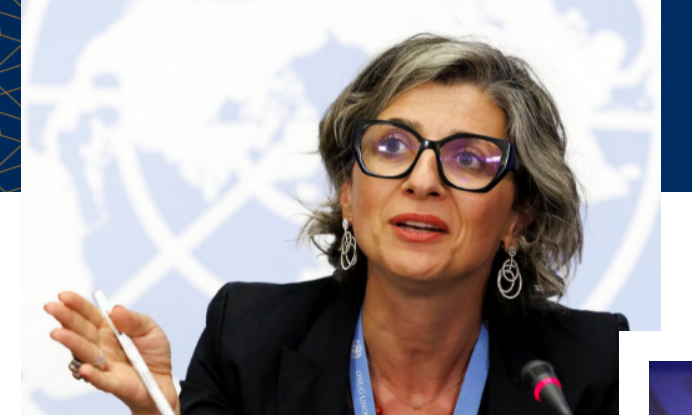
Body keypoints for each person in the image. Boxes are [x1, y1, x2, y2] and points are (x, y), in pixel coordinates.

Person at [44, 33, 628, 415]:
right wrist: (158, 410)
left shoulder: (601, 367)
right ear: (348, 193)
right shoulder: (247, 341)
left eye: (468, 158)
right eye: (392, 147)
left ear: (518, 216)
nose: (423, 180)